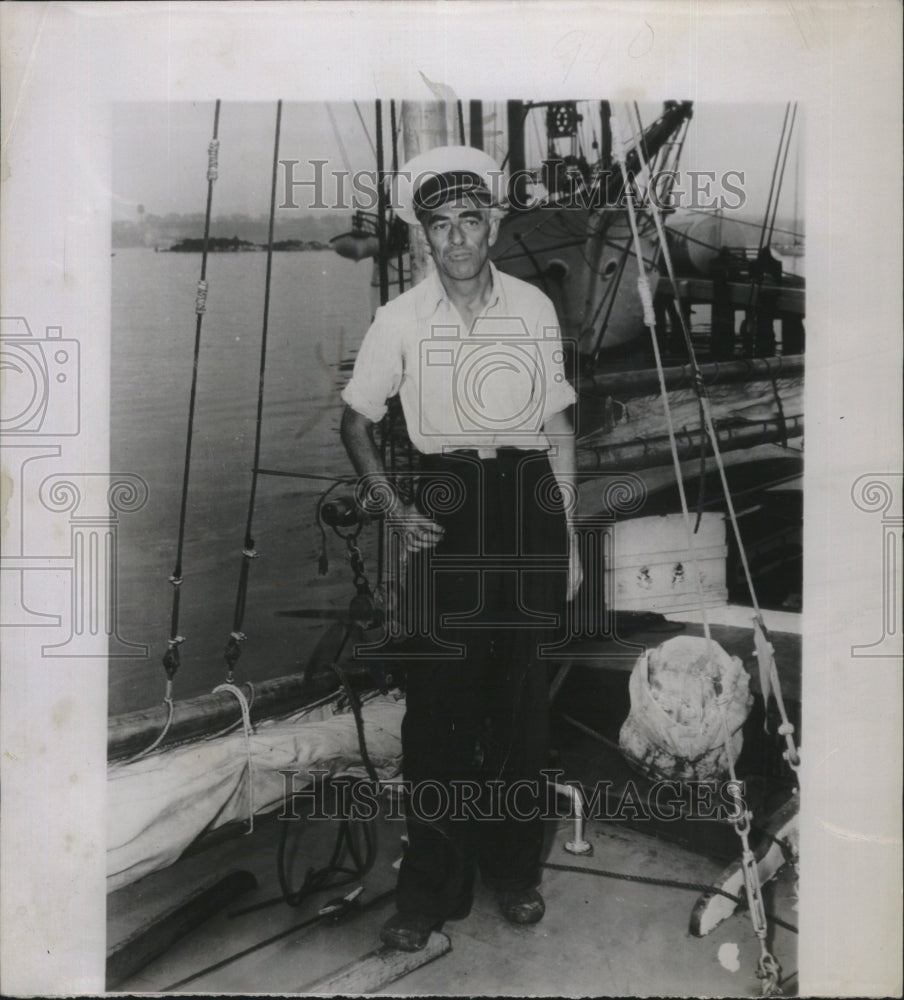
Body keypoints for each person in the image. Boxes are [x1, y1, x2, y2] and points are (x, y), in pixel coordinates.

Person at [340, 145, 582, 951]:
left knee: (520, 712)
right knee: (437, 717)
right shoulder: (397, 321)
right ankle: (428, 893)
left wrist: (569, 542)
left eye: (469, 220)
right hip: (446, 509)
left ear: (493, 224)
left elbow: (555, 427)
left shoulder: (534, 309)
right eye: (439, 225)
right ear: (423, 236)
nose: (456, 239)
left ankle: (515, 874)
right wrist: (395, 511)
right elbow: (357, 422)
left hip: (527, 507)